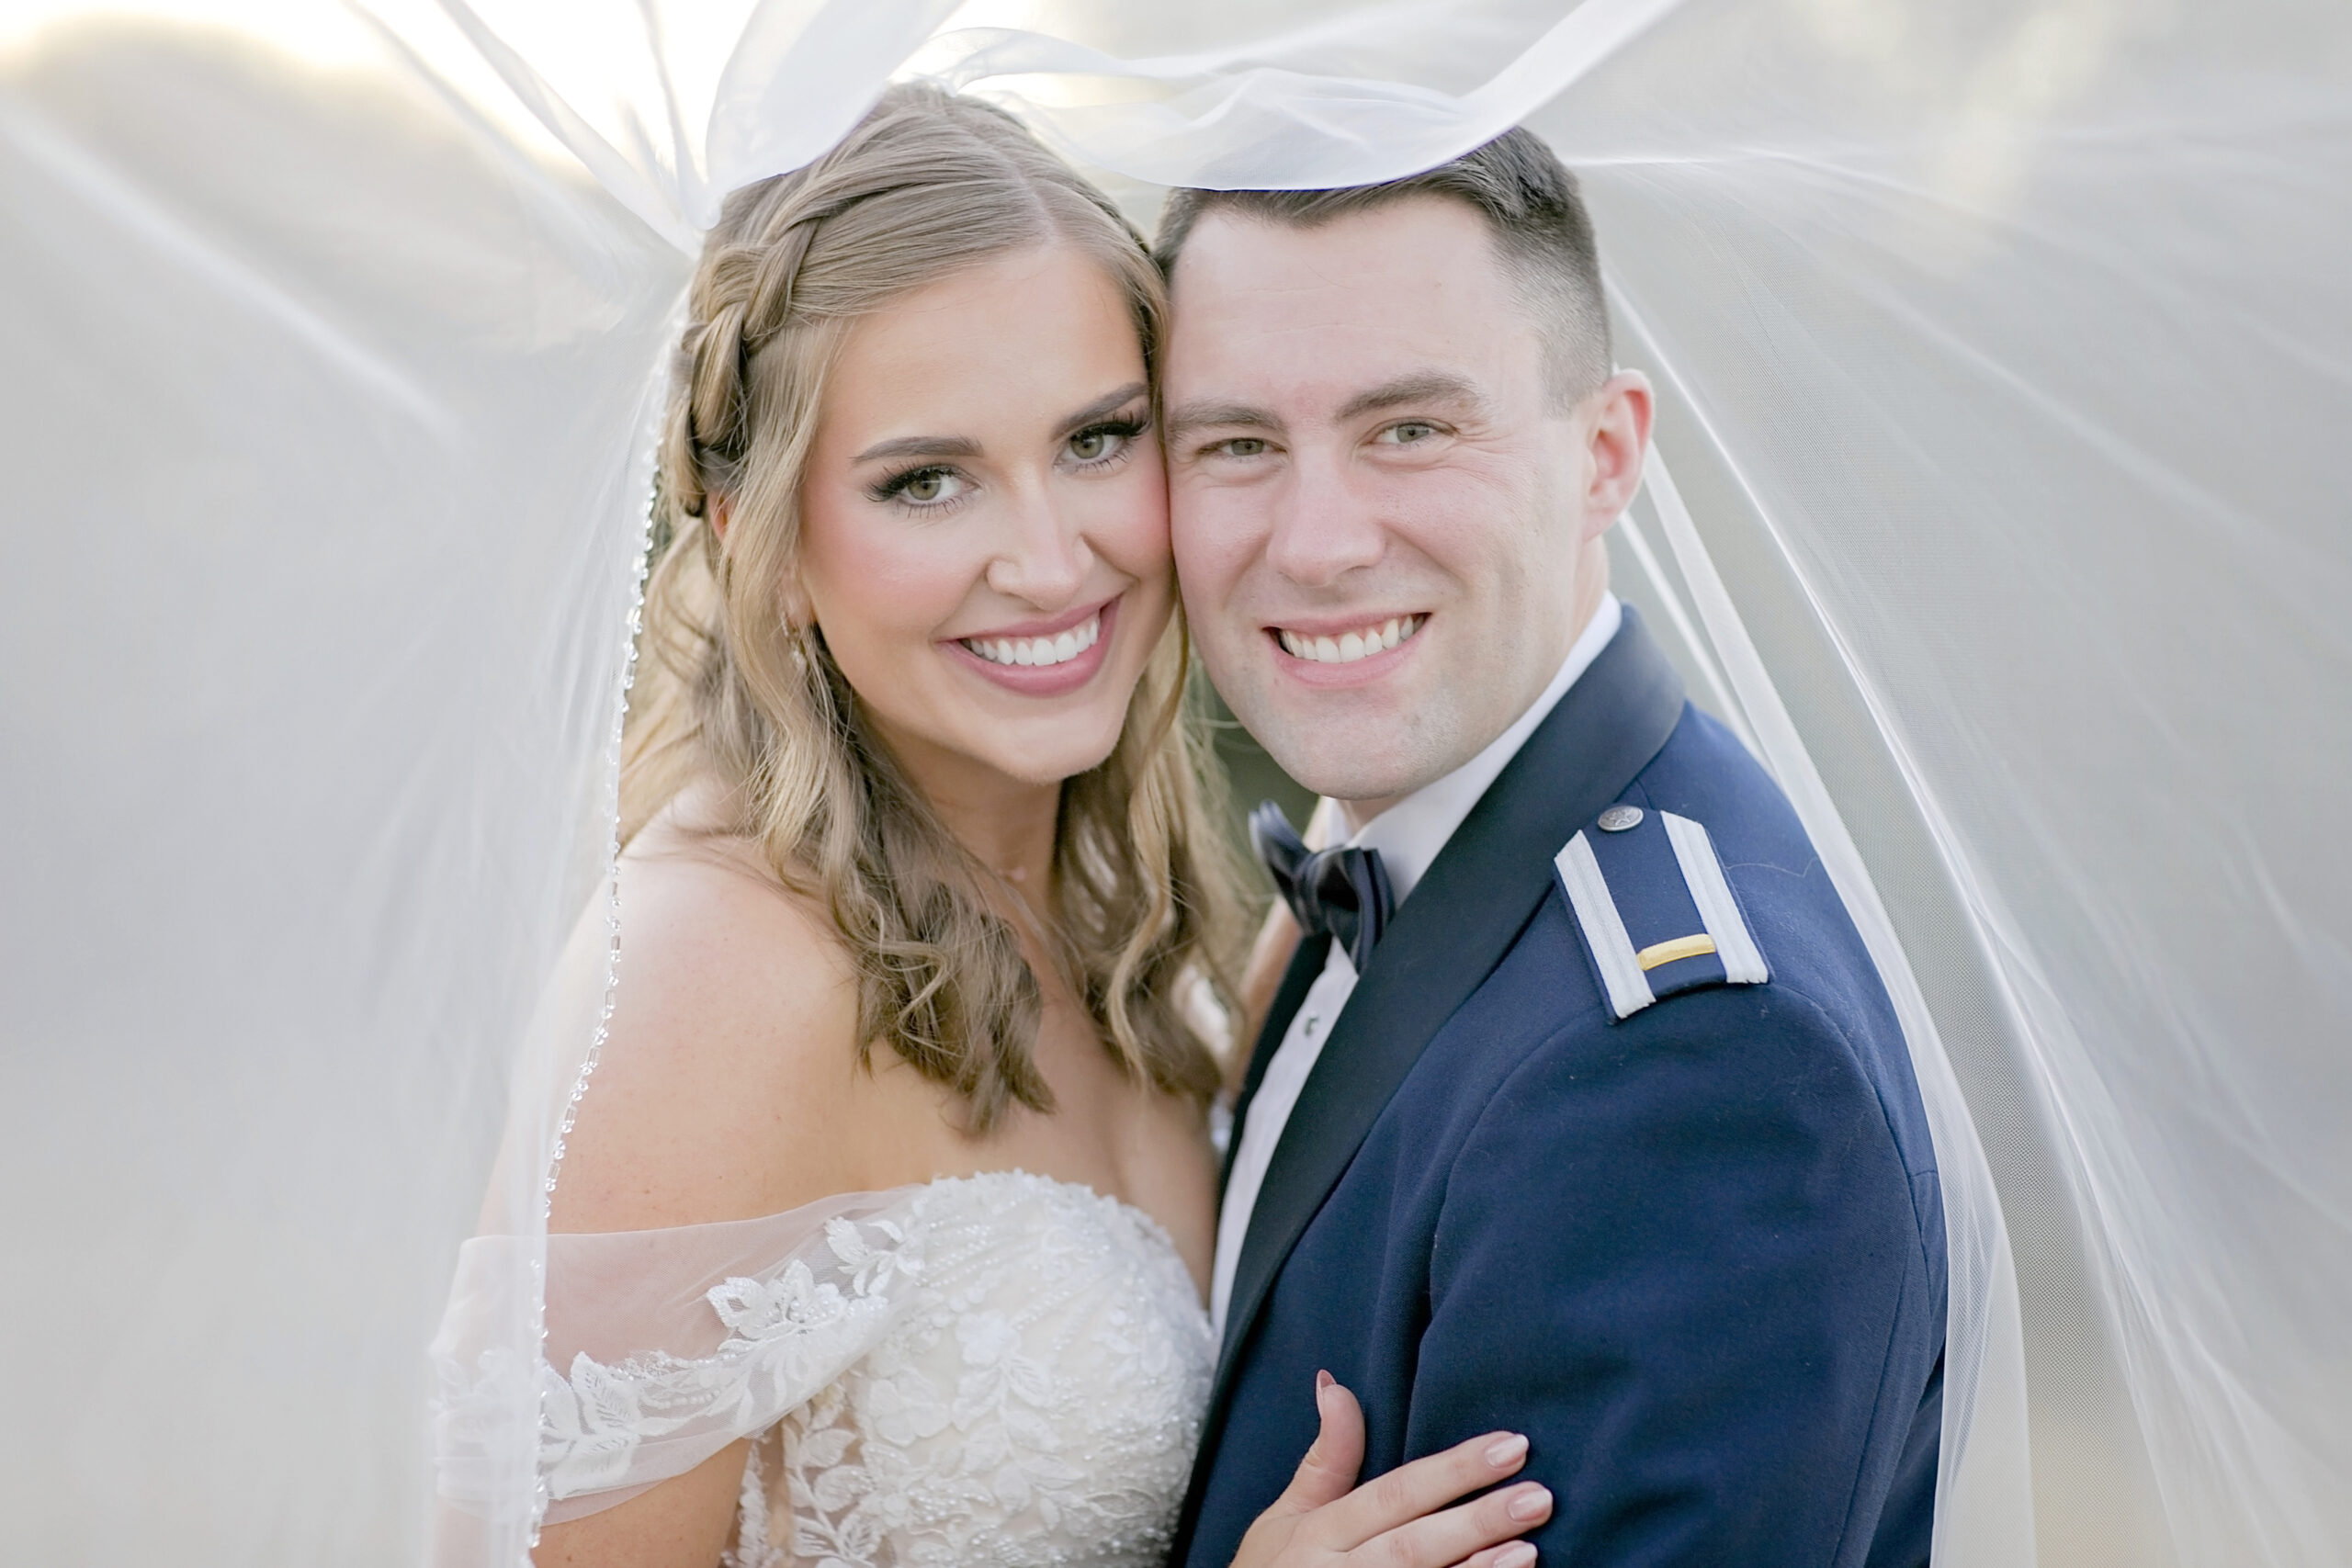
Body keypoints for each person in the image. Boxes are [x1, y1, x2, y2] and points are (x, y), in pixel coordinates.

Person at [435, 84, 1555, 1568]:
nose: (1047, 559)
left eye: (1098, 441)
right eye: (927, 480)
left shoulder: (1147, 937)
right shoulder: (713, 976)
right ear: (758, 542)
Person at [1159, 131, 1949, 1567]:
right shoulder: (1394, 862)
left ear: (1606, 455)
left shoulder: (1689, 1068)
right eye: (1236, 446)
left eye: (1409, 428)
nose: (1319, 542)